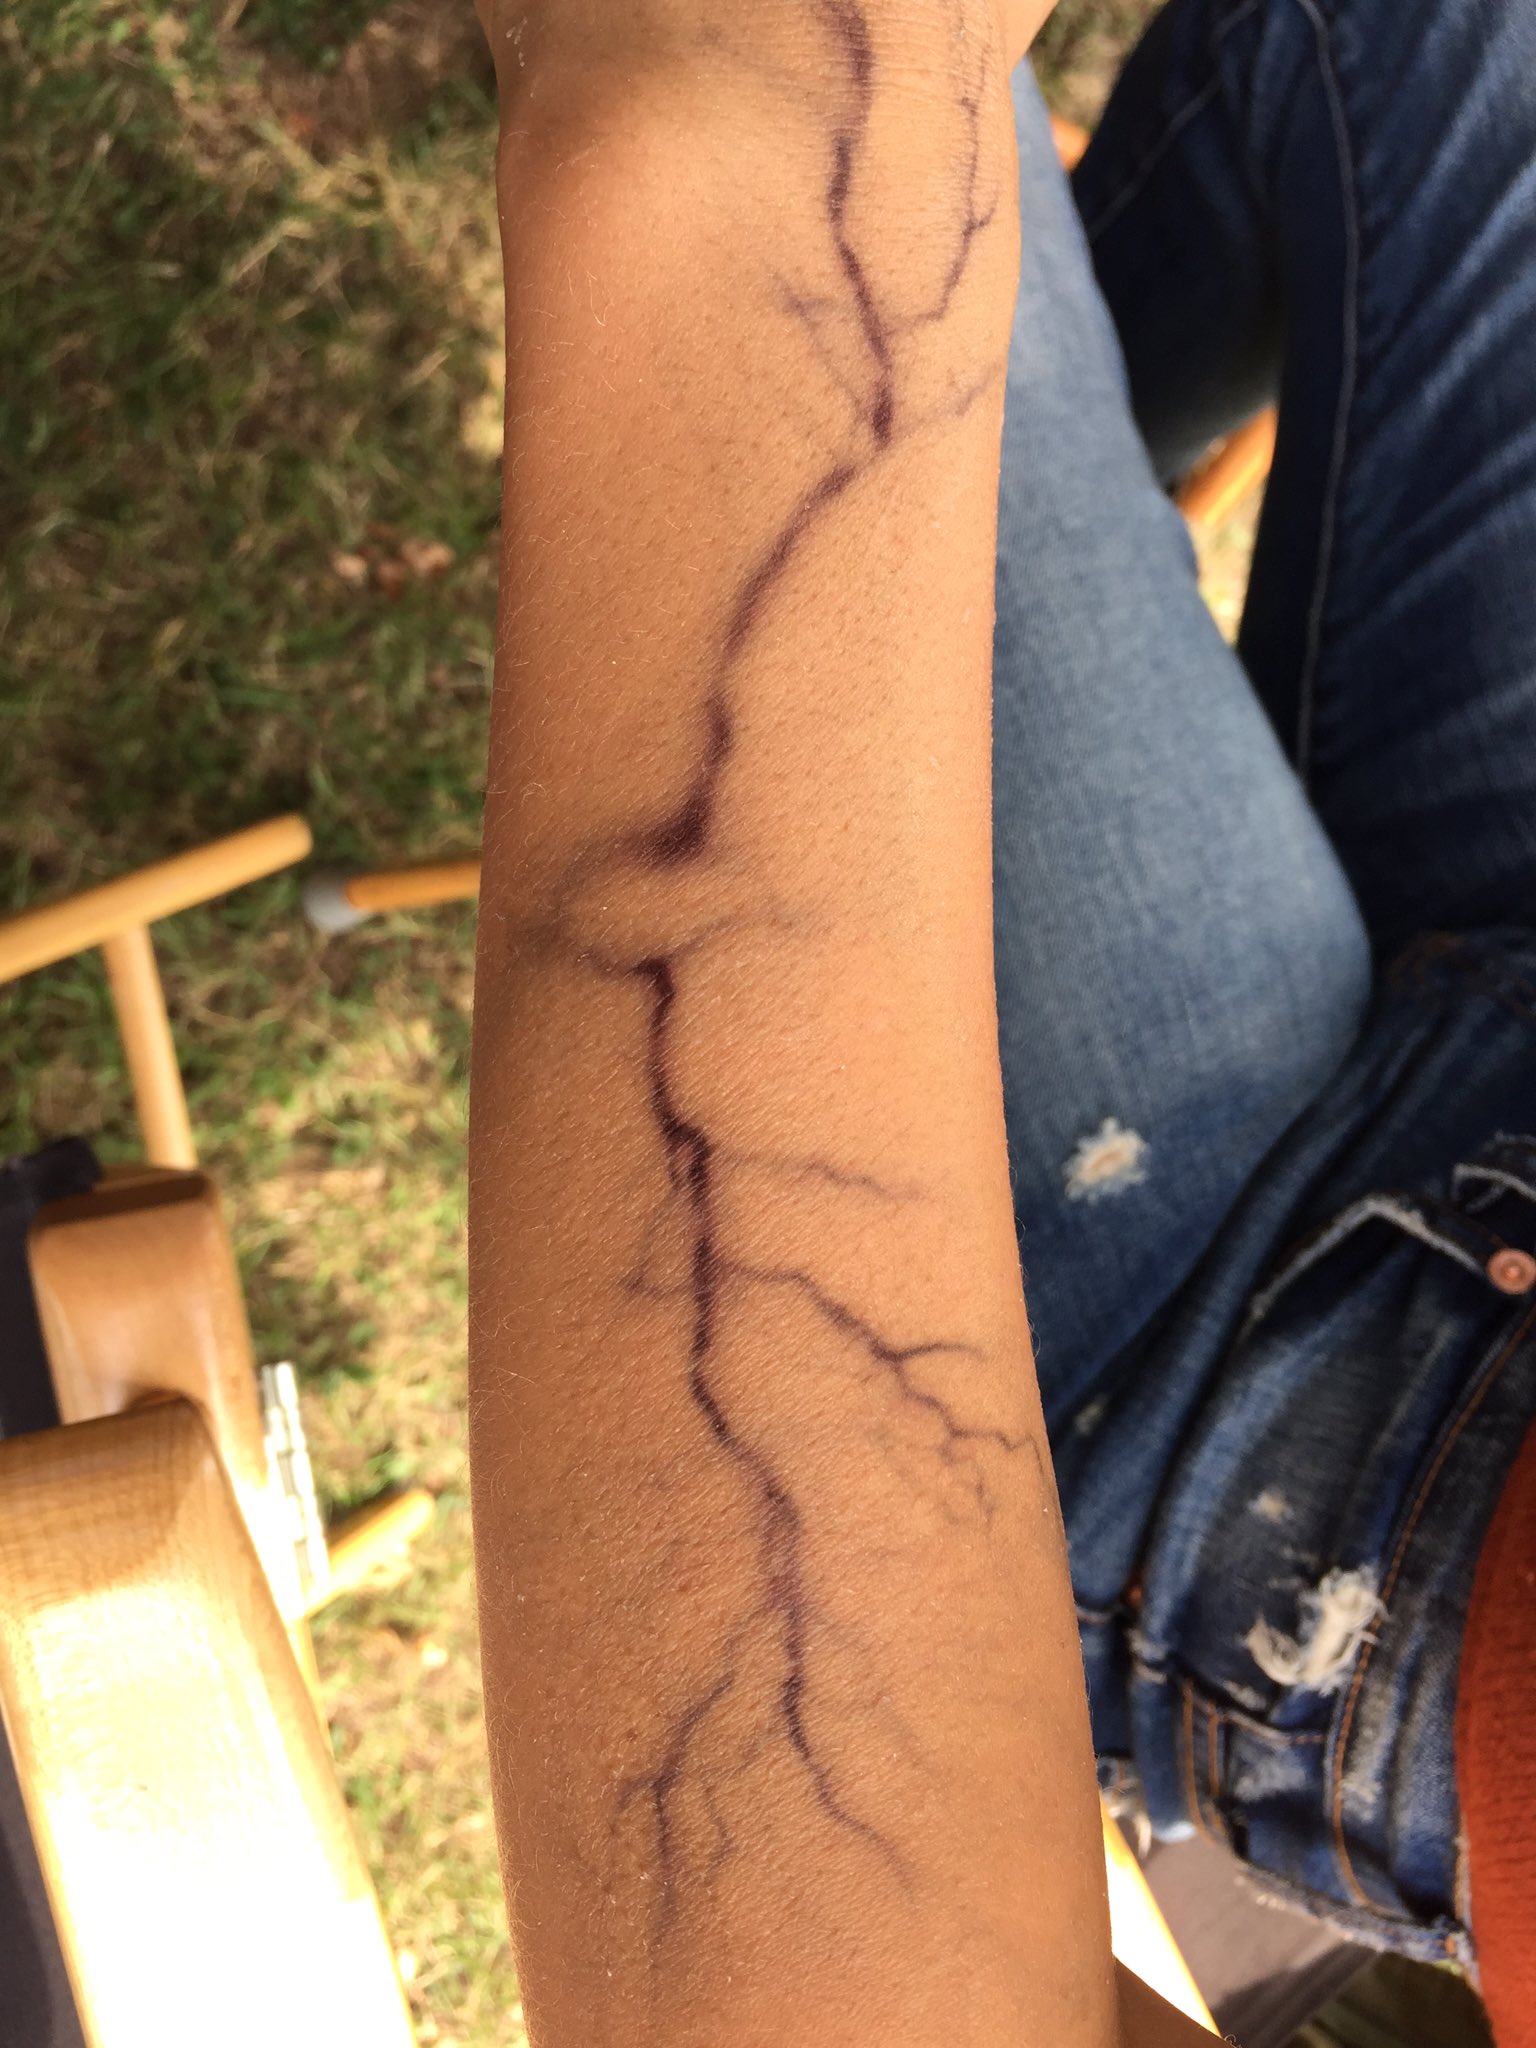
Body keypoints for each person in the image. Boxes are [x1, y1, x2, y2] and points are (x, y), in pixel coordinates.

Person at [465, 0, 1536, 2042]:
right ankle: (1058, 422)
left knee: (814, 91)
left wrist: (733, 149)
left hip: (1247, 1434)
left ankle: (1007, 401)